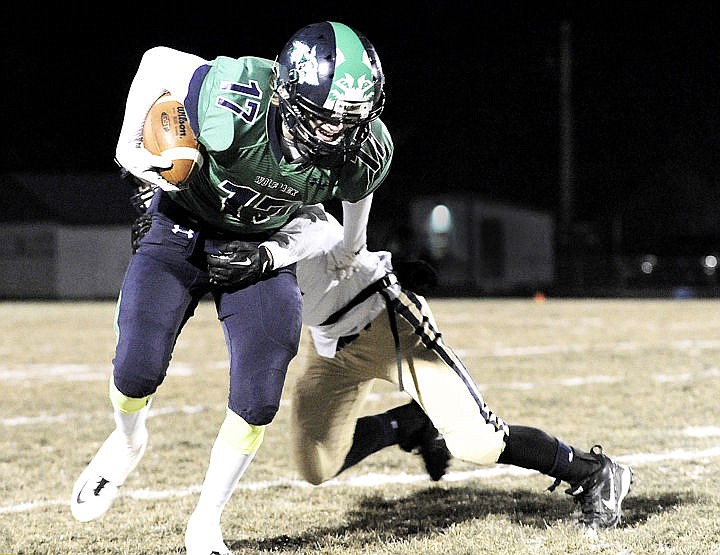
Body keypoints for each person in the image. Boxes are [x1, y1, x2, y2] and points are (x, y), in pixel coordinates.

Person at [70, 21, 392, 555]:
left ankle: (206, 521)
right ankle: (128, 442)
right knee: (135, 369)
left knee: (259, 392)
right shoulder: (236, 93)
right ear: (287, 95)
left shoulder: (360, 148)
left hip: (261, 246)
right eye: (324, 119)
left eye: (349, 123)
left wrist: (337, 247)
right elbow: (155, 60)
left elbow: (351, 195)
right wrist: (138, 161)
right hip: (183, 224)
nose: (336, 135)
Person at [247, 206, 635, 530]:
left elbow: (318, 232)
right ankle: (408, 424)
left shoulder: (285, 198)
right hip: (329, 344)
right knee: (316, 465)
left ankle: (594, 473)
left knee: (478, 443)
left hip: (385, 319)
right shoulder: (226, 213)